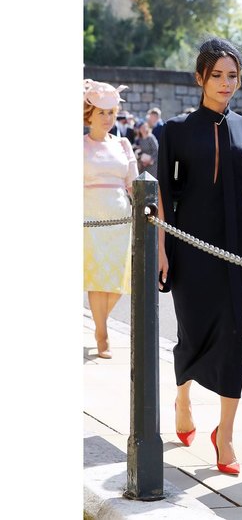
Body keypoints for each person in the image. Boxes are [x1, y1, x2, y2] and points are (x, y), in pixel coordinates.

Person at [157, 37, 242, 476]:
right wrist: (162, 250)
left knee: (235, 338)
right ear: (200, 78)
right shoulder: (175, 130)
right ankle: (183, 398)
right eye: (217, 75)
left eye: (233, 76)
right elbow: (163, 195)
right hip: (190, 251)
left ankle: (225, 434)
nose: (226, 83)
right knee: (191, 333)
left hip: (237, 254)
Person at [83, 79, 139, 359]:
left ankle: (100, 323)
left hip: (120, 221)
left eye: (111, 113)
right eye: (102, 112)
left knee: (118, 279)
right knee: (97, 278)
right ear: (89, 114)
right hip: (90, 220)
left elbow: (134, 184)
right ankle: (102, 334)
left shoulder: (123, 144)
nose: (107, 118)